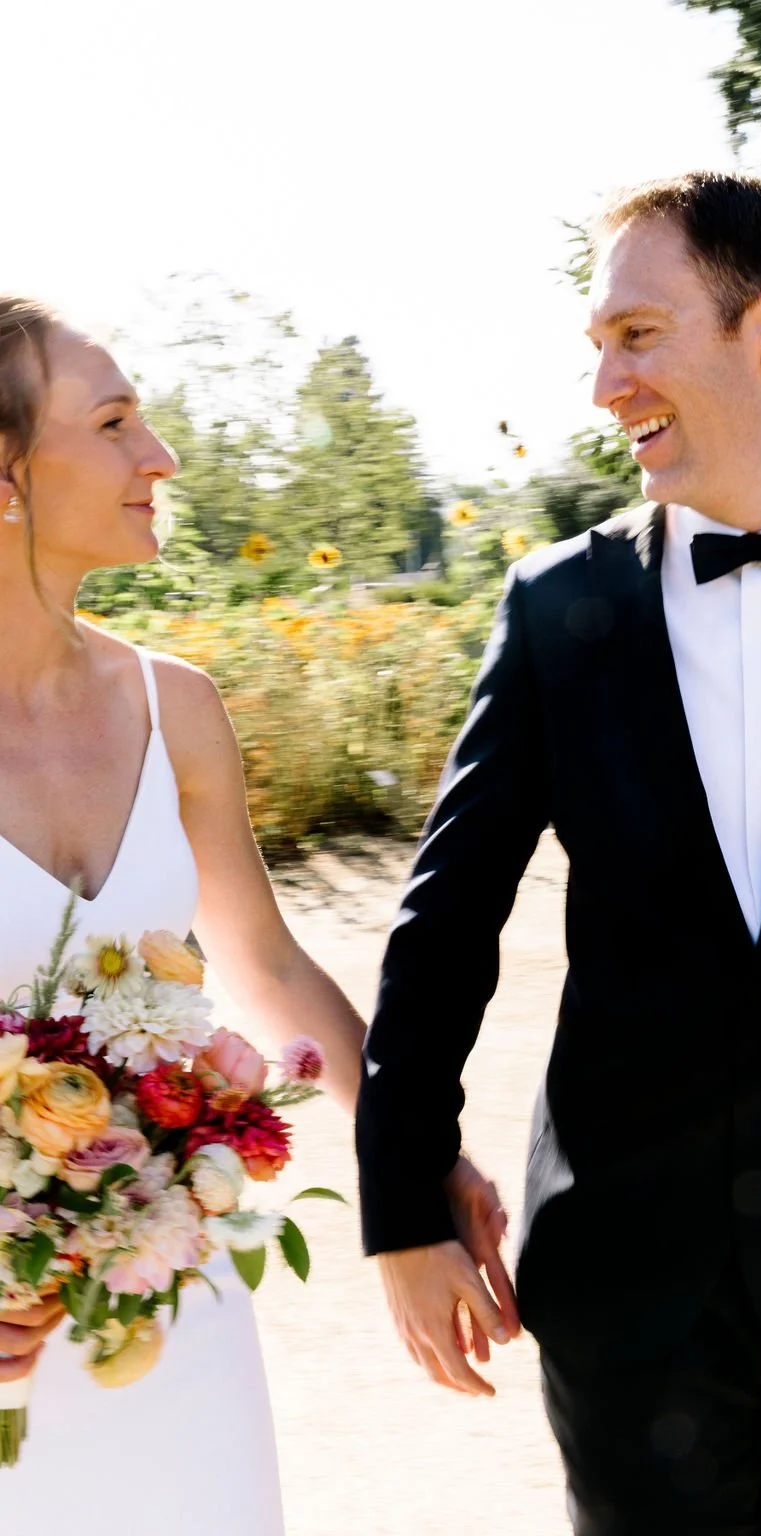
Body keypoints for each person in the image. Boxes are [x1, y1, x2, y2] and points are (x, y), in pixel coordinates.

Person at [356, 172, 761, 1534]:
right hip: (619, 1280)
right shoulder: (558, 606)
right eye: (597, 345)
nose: (604, 383)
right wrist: (399, 1208)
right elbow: (445, 924)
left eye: (638, 335)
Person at [0, 296, 506, 1531]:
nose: (159, 455)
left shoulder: (181, 708)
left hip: (174, 1317)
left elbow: (266, 965)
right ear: (6, 475)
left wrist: (410, 1149)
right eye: (114, 423)